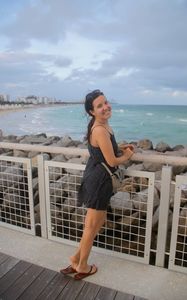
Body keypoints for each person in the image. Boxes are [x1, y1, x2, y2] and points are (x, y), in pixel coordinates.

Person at [60, 89, 134, 280]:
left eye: (106, 102)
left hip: (97, 177)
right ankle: (82, 266)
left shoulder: (101, 124)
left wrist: (118, 147)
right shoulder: (100, 129)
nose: (105, 107)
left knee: (96, 223)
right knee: (91, 226)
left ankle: (76, 257)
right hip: (100, 180)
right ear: (92, 112)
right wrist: (126, 155)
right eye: (99, 106)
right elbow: (111, 161)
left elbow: (104, 149)